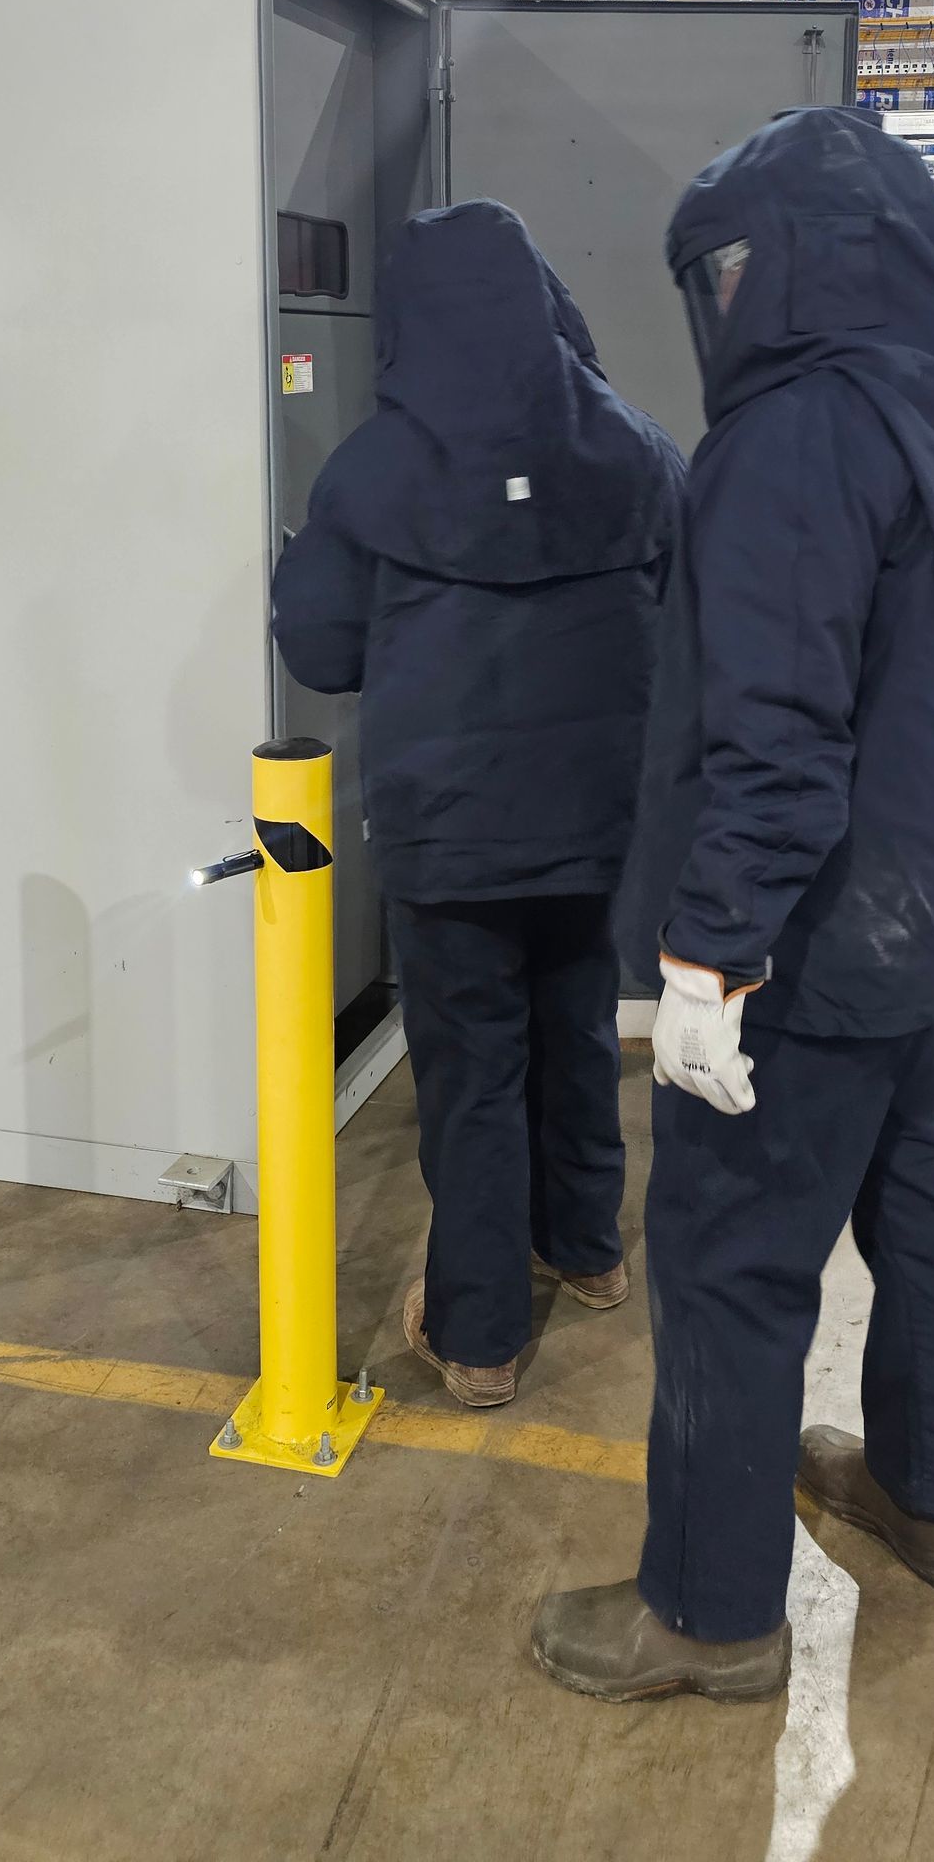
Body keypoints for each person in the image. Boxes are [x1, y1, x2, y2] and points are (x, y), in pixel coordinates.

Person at [531, 105, 934, 1701]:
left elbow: (775, 736)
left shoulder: (796, 436)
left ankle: (708, 1608)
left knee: (731, 1260)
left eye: (742, 268)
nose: (725, 303)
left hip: (809, 946)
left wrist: (706, 956)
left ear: (807, 265)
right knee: (932, 1216)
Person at [271, 200, 685, 1410]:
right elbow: (688, 609)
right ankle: (592, 1250)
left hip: (448, 837)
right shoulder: (636, 446)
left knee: (470, 1074)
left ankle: (481, 1330)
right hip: (598, 823)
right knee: (577, 1030)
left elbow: (324, 648)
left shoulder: (376, 467)